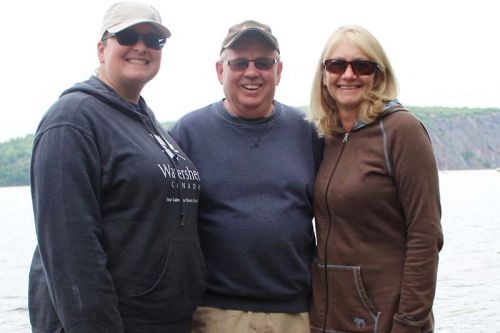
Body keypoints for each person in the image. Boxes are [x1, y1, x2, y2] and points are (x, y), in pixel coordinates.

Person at [28, 2, 205, 332]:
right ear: (101, 48)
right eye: (126, 35)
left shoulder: (148, 123)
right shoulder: (72, 120)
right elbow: (71, 255)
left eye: (154, 40)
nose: (141, 46)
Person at [169, 20, 323, 333]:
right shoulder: (187, 133)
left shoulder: (308, 131)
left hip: (295, 314)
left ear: (278, 72)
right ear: (219, 71)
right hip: (214, 314)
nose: (251, 72)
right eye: (239, 62)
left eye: (264, 63)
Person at [308, 25, 443, 333]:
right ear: (324, 74)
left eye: (362, 66)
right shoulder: (326, 137)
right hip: (329, 319)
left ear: (379, 75)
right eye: (337, 64)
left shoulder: (401, 130)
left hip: (386, 319)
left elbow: (426, 235)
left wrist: (409, 322)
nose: (348, 75)